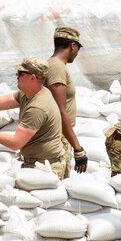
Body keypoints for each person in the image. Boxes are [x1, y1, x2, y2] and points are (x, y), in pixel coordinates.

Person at [0, 58, 66, 179]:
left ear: (33, 78)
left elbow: (16, 143)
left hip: (46, 166)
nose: (17, 76)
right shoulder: (28, 93)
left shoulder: (37, 108)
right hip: (36, 162)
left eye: (21, 73)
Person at [46, 26, 88, 178]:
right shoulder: (56, 68)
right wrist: (78, 148)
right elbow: (60, 110)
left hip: (59, 134)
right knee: (55, 182)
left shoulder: (54, 65)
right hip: (57, 136)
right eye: (77, 48)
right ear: (73, 46)